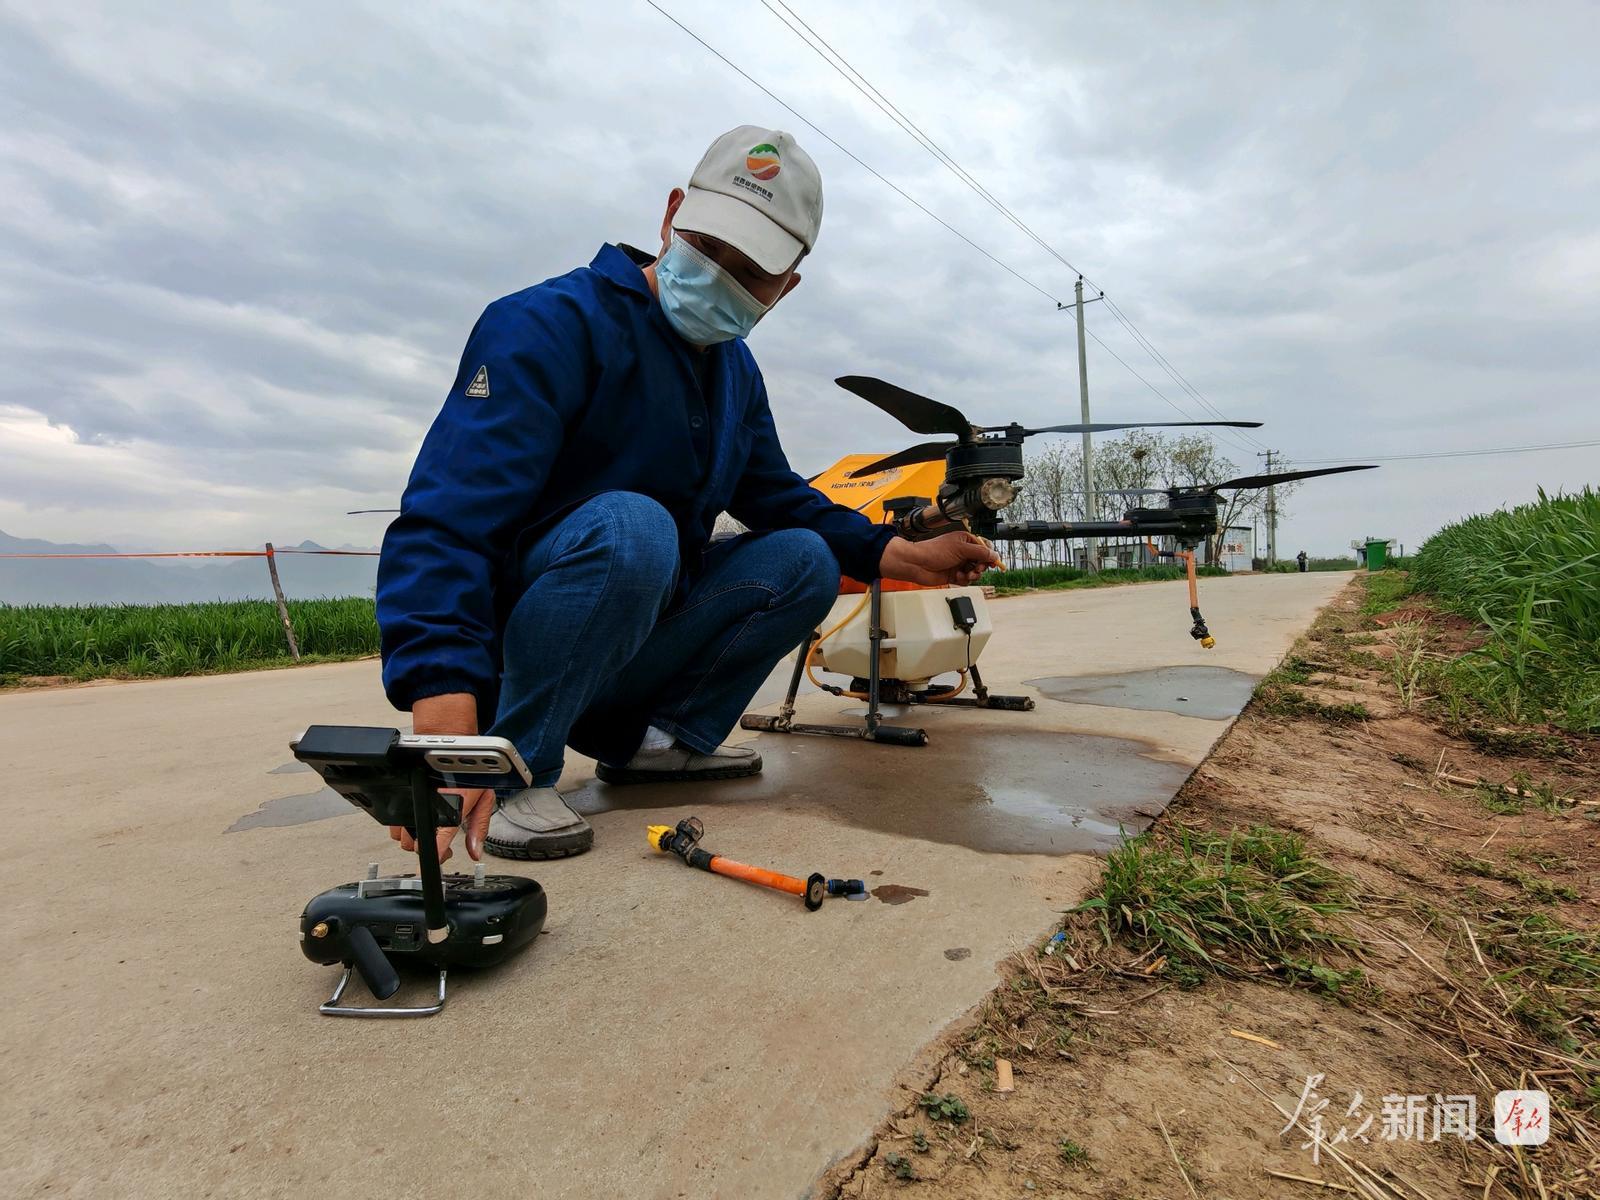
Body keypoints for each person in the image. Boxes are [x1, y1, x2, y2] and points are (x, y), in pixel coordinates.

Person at [375, 126, 1000, 864]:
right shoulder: (544, 325)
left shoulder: (736, 372)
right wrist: (446, 701)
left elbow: (780, 497)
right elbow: (449, 516)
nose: (718, 276)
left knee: (800, 556)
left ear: (787, 284)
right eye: (708, 246)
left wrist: (899, 552)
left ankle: (660, 743)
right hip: (526, 642)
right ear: (672, 215)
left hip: (637, 624)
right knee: (634, 526)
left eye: (751, 273)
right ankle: (515, 769)